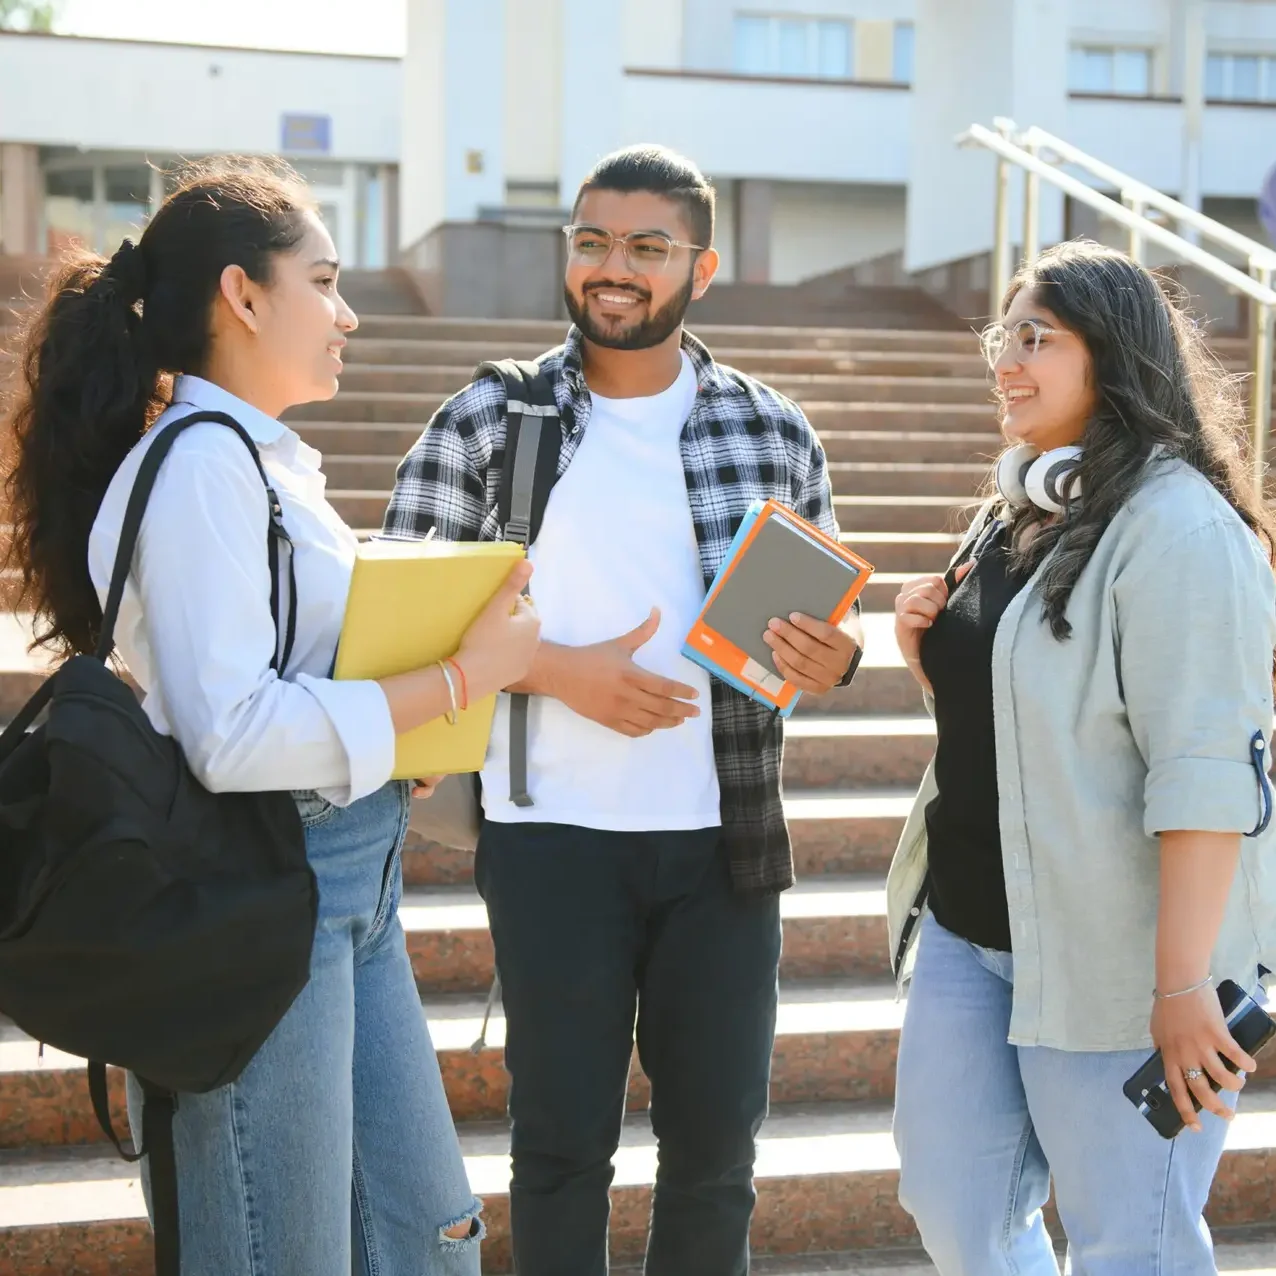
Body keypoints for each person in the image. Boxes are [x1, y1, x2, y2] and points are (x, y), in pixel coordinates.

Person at [2, 157, 540, 1276]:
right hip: (259, 891)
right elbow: (232, 734)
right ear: (243, 296)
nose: (348, 314)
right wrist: (446, 685)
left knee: (428, 1230)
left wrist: (400, 739)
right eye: (326, 282)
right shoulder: (204, 469)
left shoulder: (261, 461)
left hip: (349, 882)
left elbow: (290, 677)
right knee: (282, 1252)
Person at [382, 144, 862, 1275]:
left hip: (723, 843)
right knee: (558, 1151)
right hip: (550, 841)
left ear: (701, 265)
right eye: (593, 241)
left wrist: (829, 659)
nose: (613, 268)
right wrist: (555, 670)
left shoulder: (773, 430)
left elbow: (811, 647)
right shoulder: (493, 417)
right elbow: (393, 621)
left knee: (714, 1156)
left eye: (646, 248)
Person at [887, 239, 1276, 1275]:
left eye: (1035, 337)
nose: (1004, 360)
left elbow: (1204, 771)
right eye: (999, 336)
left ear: (1111, 352)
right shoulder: (1017, 509)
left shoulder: (1180, 531)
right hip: (973, 934)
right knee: (954, 1208)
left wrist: (1183, 985)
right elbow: (1031, 716)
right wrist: (925, 650)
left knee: (1128, 1246)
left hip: (1124, 962)